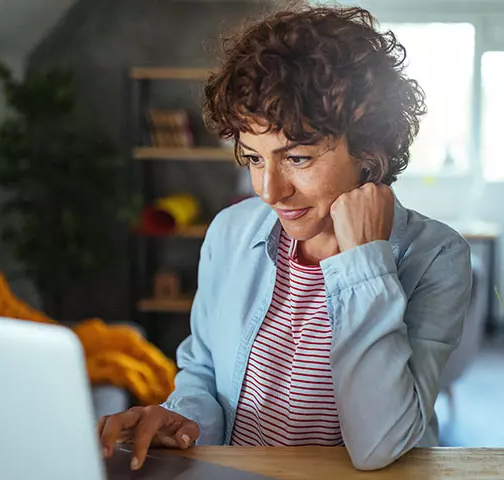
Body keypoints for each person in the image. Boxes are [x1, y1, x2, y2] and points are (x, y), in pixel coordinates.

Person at [97, 4, 472, 472]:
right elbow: (203, 375)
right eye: (255, 158)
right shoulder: (230, 234)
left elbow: (381, 444)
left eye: (296, 158)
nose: (269, 191)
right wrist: (183, 420)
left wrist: (365, 262)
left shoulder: (437, 256)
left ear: (370, 147)